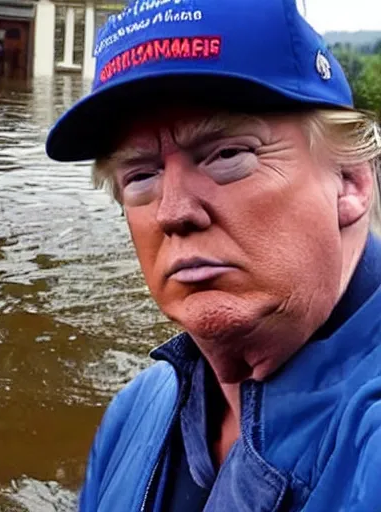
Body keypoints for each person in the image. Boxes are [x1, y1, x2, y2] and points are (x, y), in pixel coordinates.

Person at [46, 0, 381, 510]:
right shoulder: (133, 412)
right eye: (141, 175)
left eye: (227, 155)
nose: (173, 212)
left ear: (351, 182)